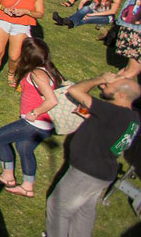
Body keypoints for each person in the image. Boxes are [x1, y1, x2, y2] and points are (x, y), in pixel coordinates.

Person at [45, 72, 141, 237]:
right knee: (84, 212)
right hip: (103, 173)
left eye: (109, 85)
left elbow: (75, 90)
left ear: (121, 95)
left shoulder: (112, 111)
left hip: (86, 173)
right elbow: (108, 127)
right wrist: (90, 113)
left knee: (58, 207)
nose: (103, 86)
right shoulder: (133, 117)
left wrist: (100, 78)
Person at [0, 37, 62, 198]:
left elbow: (52, 100)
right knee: (24, 149)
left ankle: (7, 176)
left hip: (35, 123)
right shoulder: (48, 69)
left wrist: (34, 113)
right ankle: (28, 187)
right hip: (46, 125)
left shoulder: (37, 74)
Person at [54, 0, 121, 36]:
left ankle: (65, 21)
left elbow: (112, 11)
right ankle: (69, 22)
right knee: (85, 8)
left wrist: (91, 15)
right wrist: (80, 13)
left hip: (105, 17)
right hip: (92, 10)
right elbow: (82, 2)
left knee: (86, 18)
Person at [116, 0, 141, 79]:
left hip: (127, 32)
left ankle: (106, 84)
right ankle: (109, 86)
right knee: (133, 71)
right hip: (138, 37)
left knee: (129, 68)